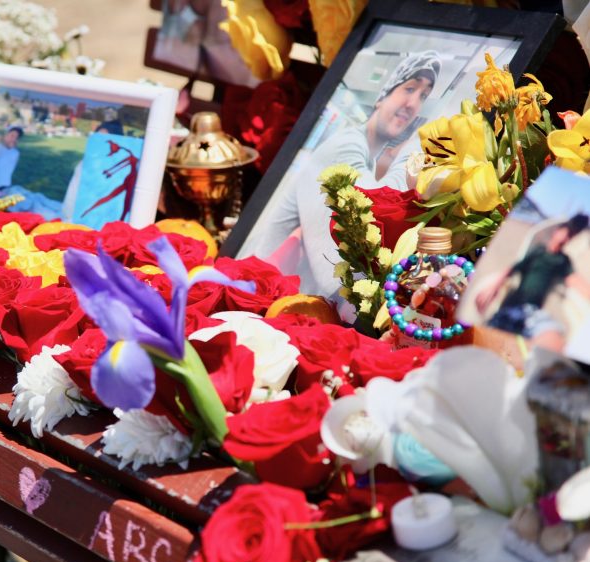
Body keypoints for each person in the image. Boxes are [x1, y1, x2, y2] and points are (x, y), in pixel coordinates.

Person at [247, 50, 441, 298]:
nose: (413, 104)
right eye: (409, 88)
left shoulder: (365, 158)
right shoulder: (346, 145)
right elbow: (341, 277)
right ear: (384, 95)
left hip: (272, 295)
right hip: (255, 294)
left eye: (423, 96)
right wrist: (421, 143)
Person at [479, 213, 590, 352]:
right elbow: (512, 269)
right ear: (556, 232)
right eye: (565, 233)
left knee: (553, 339)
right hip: (513, 306)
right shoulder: (538, 251)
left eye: (570, 236)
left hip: (534, 311)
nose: (566, 238)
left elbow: (574, 280)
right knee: (487, 336)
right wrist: (495, 286)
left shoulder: (563, 260)